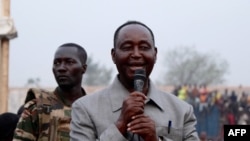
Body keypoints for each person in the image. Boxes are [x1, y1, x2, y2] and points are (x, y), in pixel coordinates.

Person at [70, 21, 199, 141]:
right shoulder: (85, 108)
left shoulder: (182, 111)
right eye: (127, 47)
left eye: (144, 47)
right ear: (114, 55)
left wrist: (156, 140)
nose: (136, 54)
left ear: (155, 54)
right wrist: (119, 126)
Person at [13, 43, 88, 141]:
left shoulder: (93, 109)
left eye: (69, 62)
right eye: (56, 63)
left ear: (83, 68)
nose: (61, 68)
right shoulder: (37, 108)